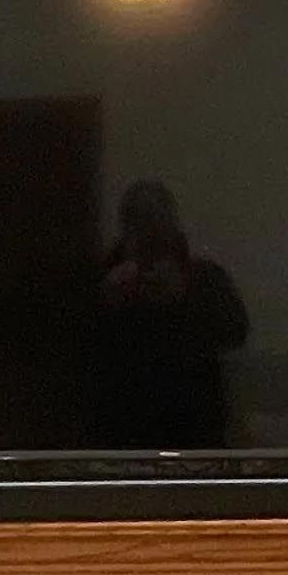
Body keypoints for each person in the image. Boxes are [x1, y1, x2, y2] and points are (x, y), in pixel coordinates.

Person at [90, 180, 248, 449]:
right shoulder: (100, 283)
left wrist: (186, 297)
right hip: (120, 443)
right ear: (126, 229)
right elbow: (71, 354)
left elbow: (236, 332)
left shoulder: (205, 279)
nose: (151, 238)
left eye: (159, 225)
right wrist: (105, 303)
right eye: (140, 223)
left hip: (195, 441)